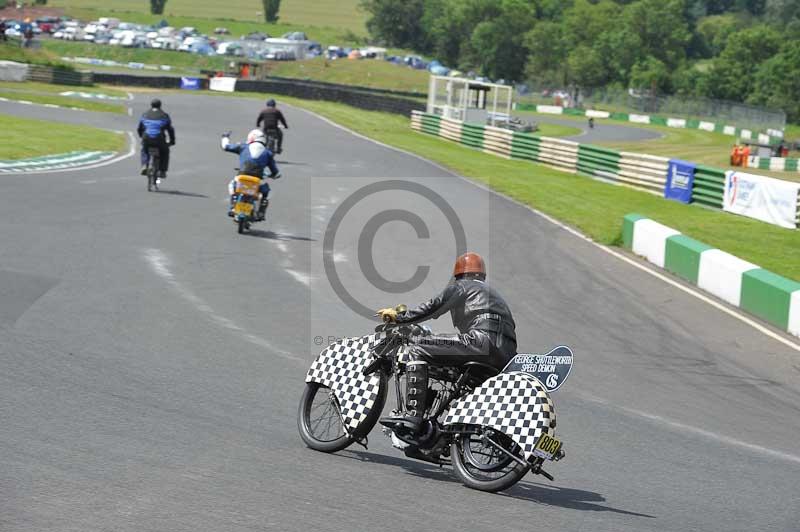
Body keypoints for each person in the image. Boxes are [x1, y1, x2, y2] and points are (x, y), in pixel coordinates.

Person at [376, 252, 517, 434]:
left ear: (458, 274)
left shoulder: (462, 286)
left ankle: (413, 414)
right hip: (506, 355)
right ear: (482, 274)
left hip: (479, 342)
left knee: (417, 350)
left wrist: (400, 318)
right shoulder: (496, 296)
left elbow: (433, 306)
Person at [221, 129, 281, 220]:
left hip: (241, 176)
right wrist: (273, 175)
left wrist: (225, 137)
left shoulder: (243, 147)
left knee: (232, 185)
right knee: (266, 192)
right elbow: (275, 172)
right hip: (257, 180)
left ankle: (233, 206)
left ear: (252, 137)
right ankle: (261, 212)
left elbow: (225, 146)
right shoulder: (267, 153)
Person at [137, 98, 175, 181]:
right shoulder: (165, 115)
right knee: (165, 151)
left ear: (151, 105)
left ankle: (144, 165)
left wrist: (142, 138)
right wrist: (172, 141)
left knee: (144, 150)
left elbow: (139, 128)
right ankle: (162, 171)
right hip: (159, 138)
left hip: (146, 137)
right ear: (160, 106)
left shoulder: (144, 114)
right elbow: (170, 130)